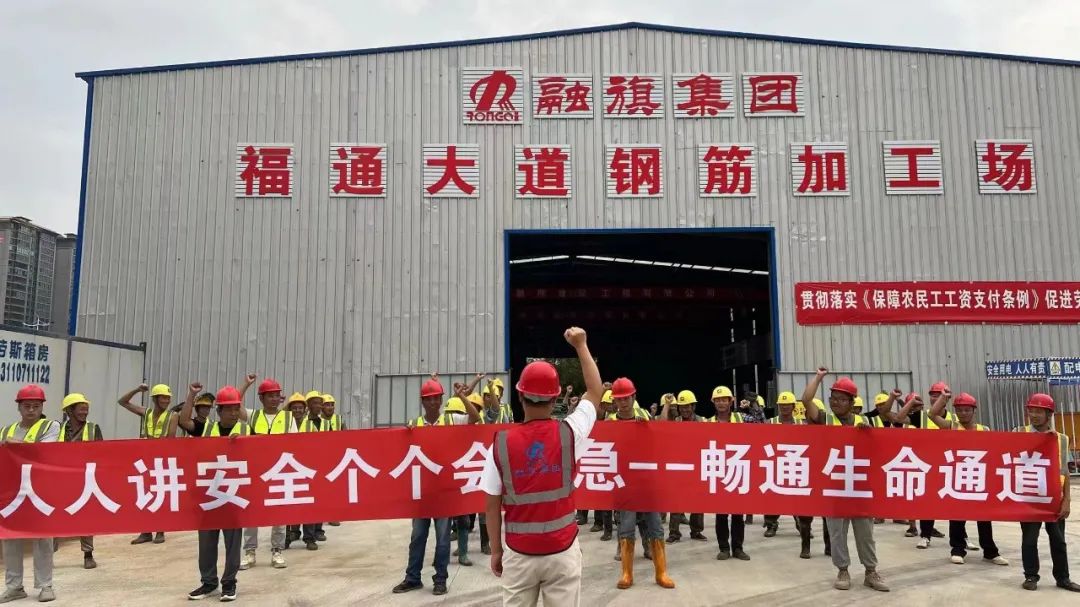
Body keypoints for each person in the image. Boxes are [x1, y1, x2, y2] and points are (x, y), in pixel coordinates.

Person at [481, 327, 605, 606]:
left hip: (519, 554)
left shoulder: (500, 445)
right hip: (562, 550)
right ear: (555, 398)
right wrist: (581, 345)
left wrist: (497, 551)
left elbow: (491, 506)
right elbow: (595, 392)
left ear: (520, 396)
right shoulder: (570, 434)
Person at [803, 368, 889, 592]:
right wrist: (819, 378)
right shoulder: (825, 419)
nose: (836, 403)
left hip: (860, 486)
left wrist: (868, 433)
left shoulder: (865, 421)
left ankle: (871, 571)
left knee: (865, 533)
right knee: (837, 533)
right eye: (833, 398)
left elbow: (880, 451)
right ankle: (842, 570)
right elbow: (806, 400)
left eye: (842, 399)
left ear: (852, 402)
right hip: (835, 486)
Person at [392, 380, 479, 596]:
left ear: (441, 400)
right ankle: (413, 578)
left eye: (436, 398)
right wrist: (406, 433)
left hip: (443, 491)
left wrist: (462, 396)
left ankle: (440, 579)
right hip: (423, 492)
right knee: (417, 537)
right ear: (422, 401)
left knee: (442, 540)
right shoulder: (415, 424)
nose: (432, 402)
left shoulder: (452, 419)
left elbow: (475, 417)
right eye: (428, 399)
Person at [179, 383, 250, 602]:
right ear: (218, 411)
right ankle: (209, 583)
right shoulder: (206, 428)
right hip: (209, 494)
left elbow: (263, 454)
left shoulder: (246, 431)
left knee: (233, 544)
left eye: (236, 408)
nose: (234, 413)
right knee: (207, 543)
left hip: (233, 495)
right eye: (229, 409)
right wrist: (191, 395)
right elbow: (184, 421)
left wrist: (242, 445)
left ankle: (229, 583)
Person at [922, 390, 1009, 566]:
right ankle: (957, 549)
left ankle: (990, 551)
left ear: (974, 411)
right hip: (958, 477)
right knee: (957, 516)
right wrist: (943, 397)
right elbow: (931, 415)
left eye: (967, 410)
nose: (963, 413)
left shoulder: (984, 430)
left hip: (979, 477)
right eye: (959, 410)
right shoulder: (952, 426)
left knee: (984, 517)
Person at [603, 377, 674, 590]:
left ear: (634, 397)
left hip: (647, 481)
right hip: (624, 483)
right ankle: (627, 573)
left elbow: (661, 435)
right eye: (619, 399)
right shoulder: (609, 423)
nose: (623, 402)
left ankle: (661, 572)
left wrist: (652, 424)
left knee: (655, 525)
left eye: (627, 398)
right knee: (626, 526)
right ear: (614, 401)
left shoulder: (644, 416)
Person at [1012, 393, 1080, 592]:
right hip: (1029, 496)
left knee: (1058, 540)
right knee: (1029, 540)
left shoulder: (1061, 439)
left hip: (1053, 498)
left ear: (1049, 414)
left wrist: (1066, 500)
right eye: (1031, 410)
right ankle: (1031, 576)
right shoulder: (1019, 433)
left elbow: (1064, 471)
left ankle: (1063, 578)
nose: (1033, 415)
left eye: (1039, 411)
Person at [1, 385, 60, 603]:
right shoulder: (6, 431)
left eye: (36, 406)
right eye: (27, 406)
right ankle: (14, 586)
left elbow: (43, 452)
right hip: (13, 491)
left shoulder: (51, 426)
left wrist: (13, 444)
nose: (32, 410)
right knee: (10, 538)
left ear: (42, 407)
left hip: (40, 489)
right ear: (19, 407)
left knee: (43, 538)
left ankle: (45, 585)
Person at [239, 378, 293, 571]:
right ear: (261, 398)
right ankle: (250, 552)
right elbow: (236, 404)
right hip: (256, 471)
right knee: (252, 513)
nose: (274, 399)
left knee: (278, 513)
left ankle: (277, 551)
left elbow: (296, 443)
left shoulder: (288, 418)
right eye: (270, 396)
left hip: (278, 470)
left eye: (277, 395)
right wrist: (246, 384)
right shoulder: (253, 415)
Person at [762, 391, 820, 559]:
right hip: (776, 464)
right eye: (782, 405)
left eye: (788, 405)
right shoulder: (770, 423)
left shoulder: (802, 424)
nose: (785, 407)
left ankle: (802, 526)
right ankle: (771, 524)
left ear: (794, 407)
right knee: (774, 498)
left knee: (798, 500)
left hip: (796, 465)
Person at [117, 382, 177, 545]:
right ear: (155, 399)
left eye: (168, 398)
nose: (166, 401)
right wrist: (137, 390)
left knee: (160, 494)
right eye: (163, 398)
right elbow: (122, 402)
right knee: (144, 494)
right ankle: (146, 531)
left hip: (162, 460)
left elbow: (171, 438)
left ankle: (160, 530)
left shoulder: (172, 416)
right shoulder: (146, 412)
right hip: (145, 460)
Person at [58, 392, 104, 570]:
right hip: (62, 478)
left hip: (86, 478)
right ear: (69, 411)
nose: (84, 413)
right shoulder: (59, 429)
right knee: (55, 514)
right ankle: (49, 550)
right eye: (81, 409)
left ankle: (88, 554)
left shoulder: (93, 428)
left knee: (86, 516)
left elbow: (102, 452)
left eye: (86, 409)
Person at [706, 385, 749, 561]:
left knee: (738, 514)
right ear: (713, 403)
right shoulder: (707, 423)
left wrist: (753, 407)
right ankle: (724, 548)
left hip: (737, 469)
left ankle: (738, 548)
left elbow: (762, 427)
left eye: (724, 400)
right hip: (718, 471)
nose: (721, 403)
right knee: (721, 514)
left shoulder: (742, 418)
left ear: (731, 402)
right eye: (718, 400)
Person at [661, 391, 708, 544]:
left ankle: (696, 531)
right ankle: (674, 533)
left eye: (687, 407)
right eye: (682, 407)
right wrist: (667, 405)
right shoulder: (676, 421)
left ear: (693, 406)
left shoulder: (703, 421)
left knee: (698, 501)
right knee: (676, 501)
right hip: (680, 466)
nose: (685, 410)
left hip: (698, 465)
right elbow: (662, 424)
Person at [282, 393, 309, 549]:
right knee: (287, 505)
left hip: (306, 468)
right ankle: (286, 537)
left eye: (300, 408)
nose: (297, 410)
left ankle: (309, 537)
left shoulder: (310, 425)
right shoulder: (284, 423)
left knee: (307, 505)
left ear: (304, 410)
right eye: (294, 408)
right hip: (288, 468)